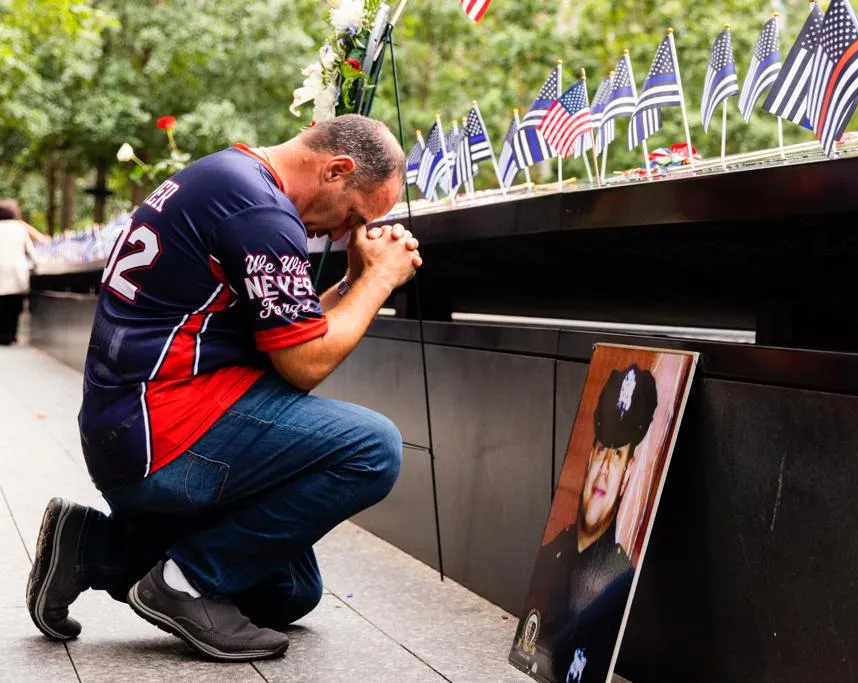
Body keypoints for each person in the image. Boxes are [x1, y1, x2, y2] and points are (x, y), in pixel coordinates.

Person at [25, 114, 421, 662]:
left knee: (289, 593)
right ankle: (185, 585)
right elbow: (305, 363)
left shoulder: (229, 178)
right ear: (337, 169)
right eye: (353, 214)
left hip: (132, 430)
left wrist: (354, 280)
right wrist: (380, 281)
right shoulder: (260, 211)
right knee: (373, 448)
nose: (339, 233)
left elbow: (291, 332)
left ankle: (92, 548)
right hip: (164, 441)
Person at [512, 364, 658, 683]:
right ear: (590, 458)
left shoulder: (618, 580)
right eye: (602, 450)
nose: (605, 468)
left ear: (627, 476)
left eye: (617, 456)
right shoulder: (549, 558)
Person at [0, 199, 37, 345]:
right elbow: (31, 251)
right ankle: (11, 335)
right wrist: (35, 264)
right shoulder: (20, 228)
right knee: (14, 305)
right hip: (16, 272)